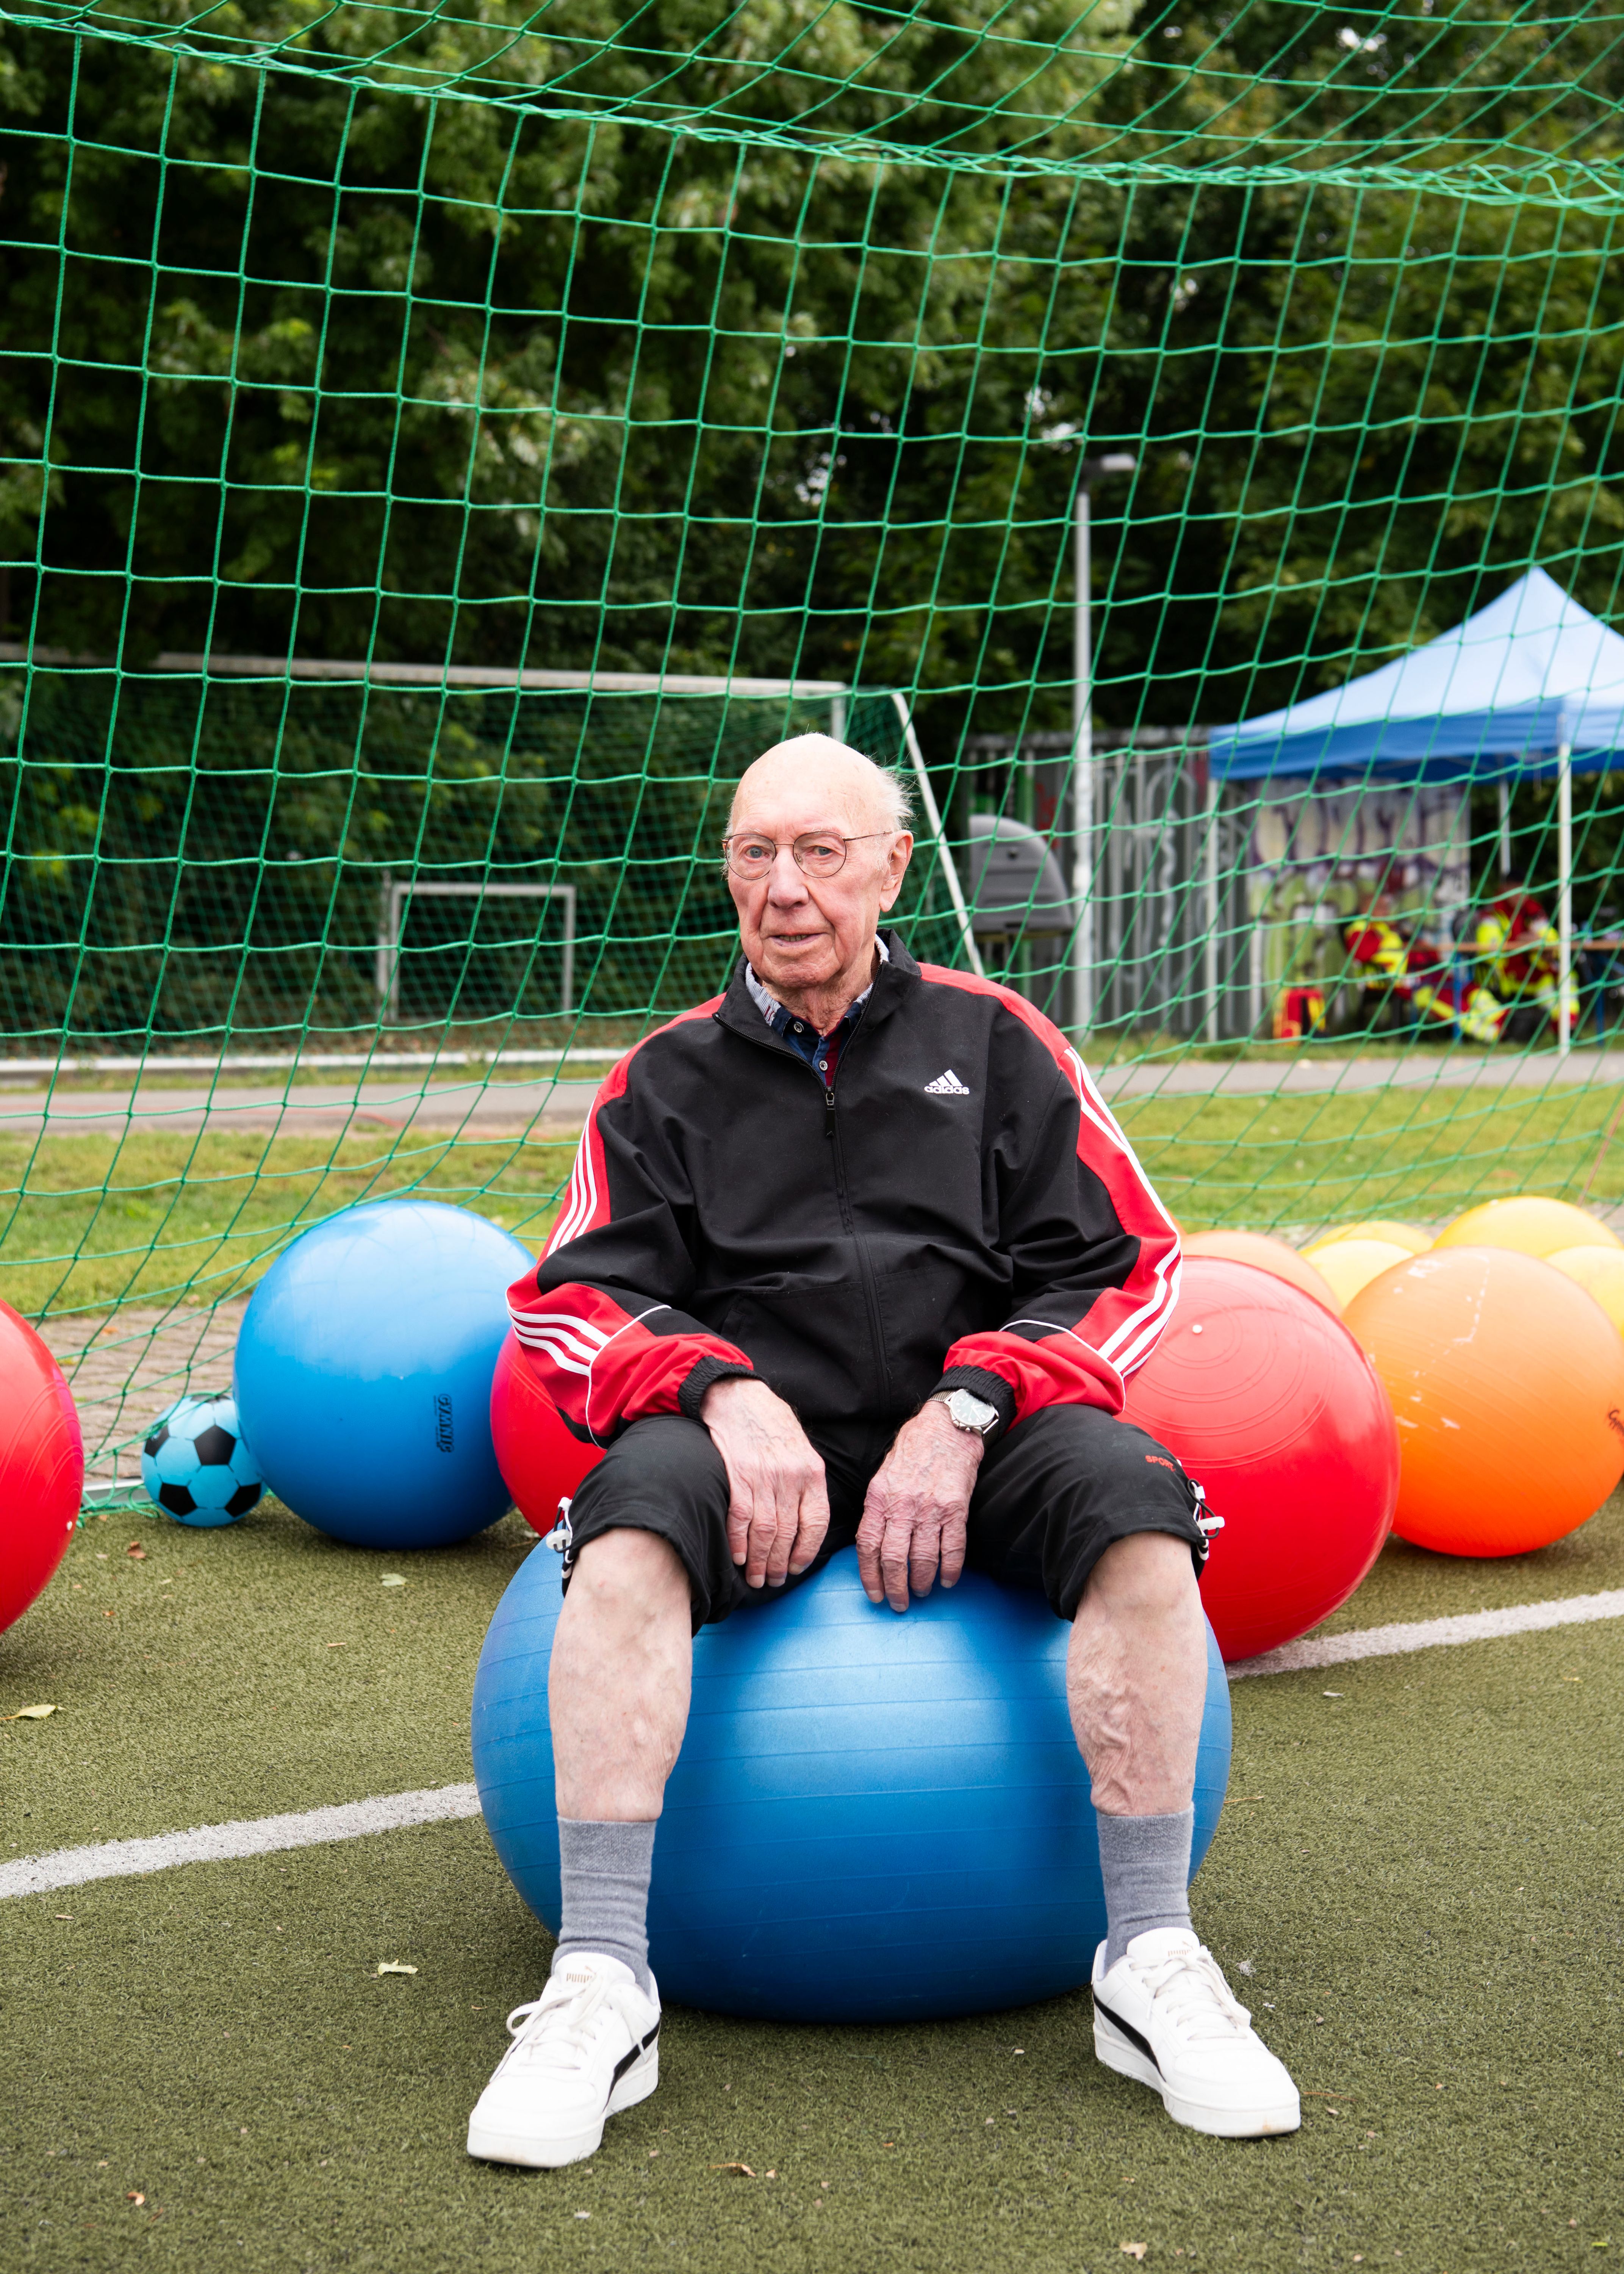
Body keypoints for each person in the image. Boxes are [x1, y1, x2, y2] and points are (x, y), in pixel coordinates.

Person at [467, 735, 1300, 2169]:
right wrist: (722, 1391)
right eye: (753, 854)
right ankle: (602, 1978)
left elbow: (1127, 1265)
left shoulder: (997, 1039)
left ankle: (1150, 1958)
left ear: (893, 867)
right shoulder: (661, 1082)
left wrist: (971, 1406)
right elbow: (570, 1299)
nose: (784, 889)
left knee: (1141, 1506)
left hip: (975, 1429)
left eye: (821, 852)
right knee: (617, 1533)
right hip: (759, 1446)